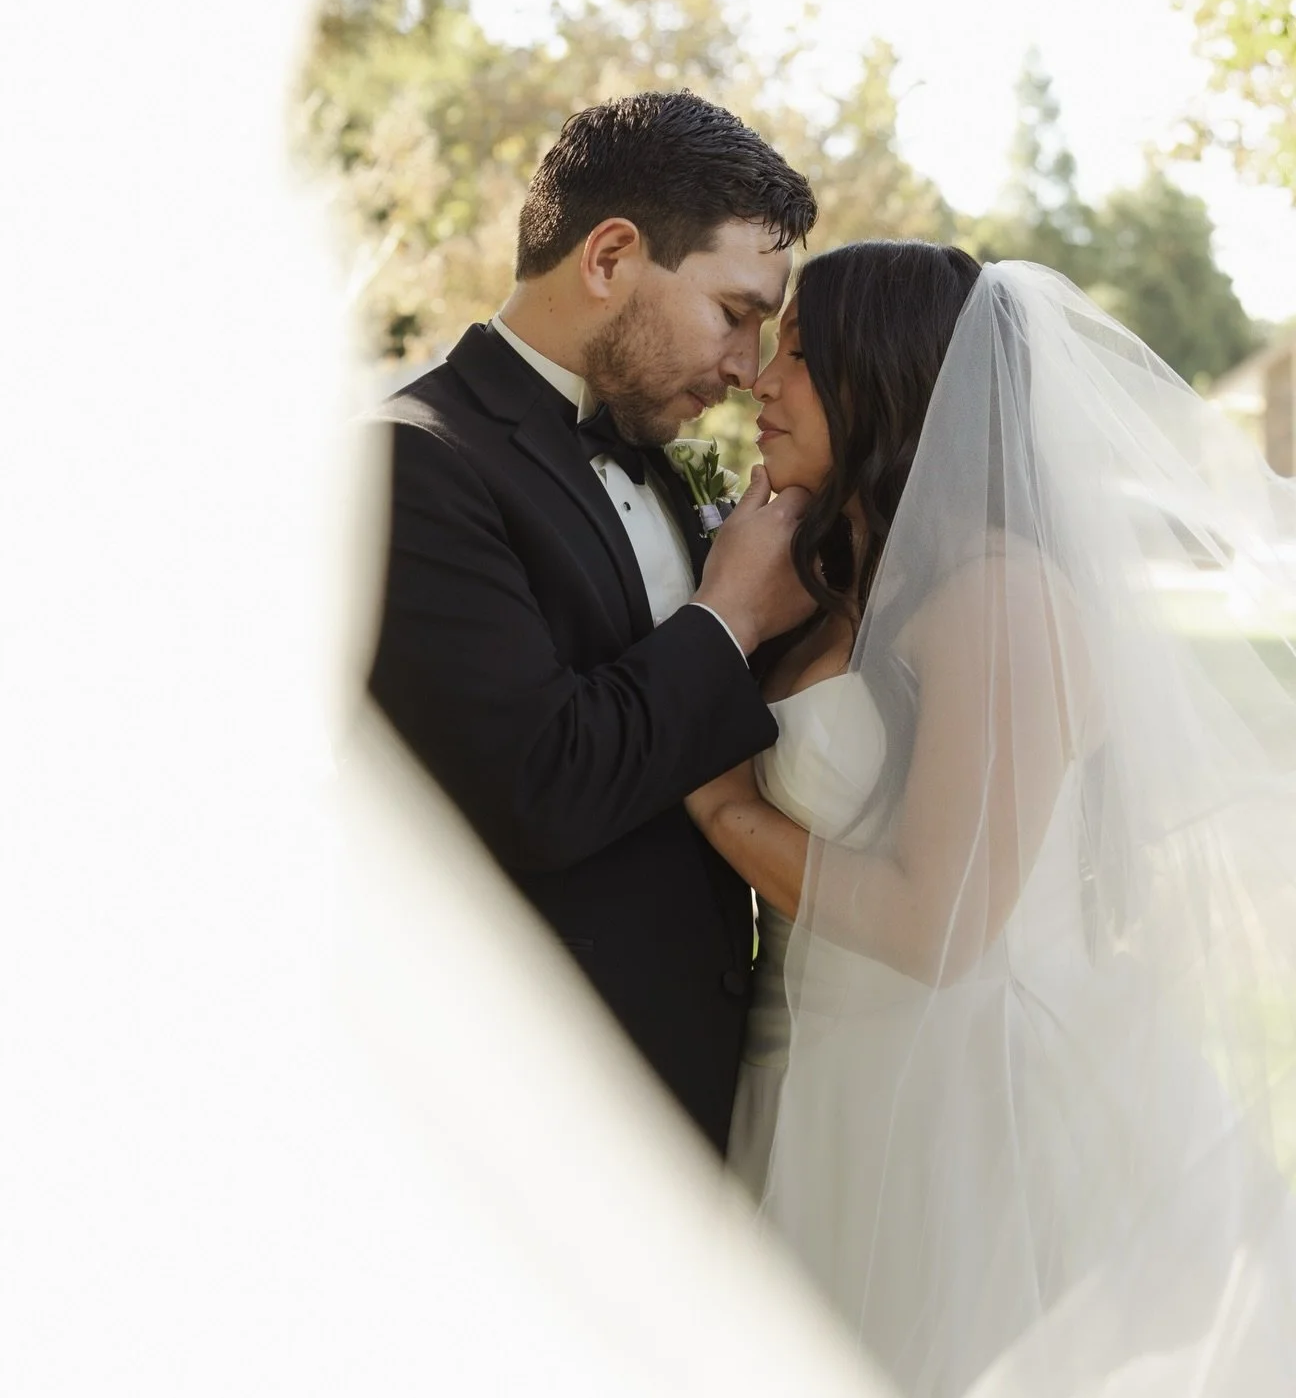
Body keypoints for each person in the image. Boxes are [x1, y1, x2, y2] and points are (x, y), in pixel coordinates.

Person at [685, 241, 1296, 1395]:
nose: (762, 381)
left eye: (802, 356)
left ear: (888, 379)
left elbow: (941, 925)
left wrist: (716, 804)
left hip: (971, 1107)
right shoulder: (832, 586)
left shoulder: (999, 595)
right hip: (823, 1079)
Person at [368, 90, 819, 1150]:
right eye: (736, 313)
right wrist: (731, 614)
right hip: (535, 1118)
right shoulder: (413, 461)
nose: (747, 371)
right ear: (611, 257)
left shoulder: (654, 457)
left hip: (705, 1092)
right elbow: (537, 784)